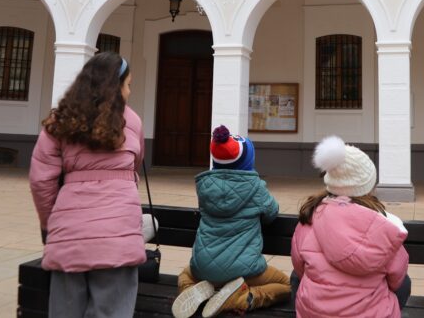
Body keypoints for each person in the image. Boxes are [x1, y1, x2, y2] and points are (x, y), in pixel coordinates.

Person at [29, 52, 146, 318]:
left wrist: (50, 224)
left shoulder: (59, 121)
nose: (129, 92)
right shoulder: (133, 121)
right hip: (117, 236)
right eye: (128, 85)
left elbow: (41, 181)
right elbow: (134, 166)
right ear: (116, 87)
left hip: (69, 235)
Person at [171, 126, 290, 318]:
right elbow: (272, 212)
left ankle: (195, 290)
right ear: (247, 162)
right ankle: (244, 298)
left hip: (203, 267)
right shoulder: (256, 188)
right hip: (245, 269)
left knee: (185, 274)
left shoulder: (204, 188)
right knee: (285, 284)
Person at [291, 136, 411, 318]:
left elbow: (299, 267)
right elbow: (396, 277)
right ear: (368, 186)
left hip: (315, 313)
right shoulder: (385, 226)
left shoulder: (310, 217)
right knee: (404, 282)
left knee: (297, 275)